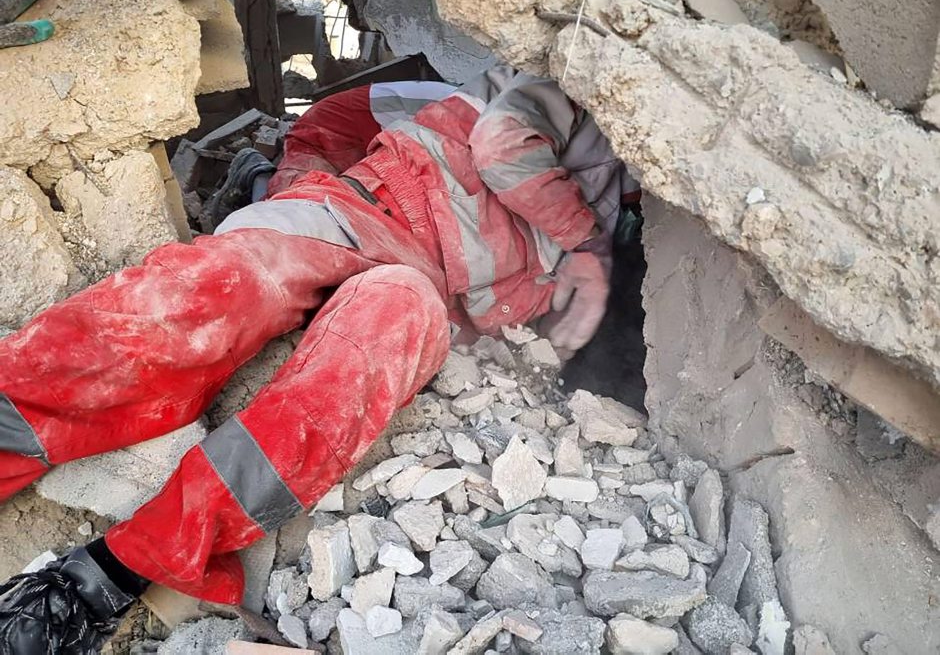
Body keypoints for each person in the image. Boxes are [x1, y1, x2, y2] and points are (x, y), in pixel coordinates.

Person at [0, 65, 638, 652]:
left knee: (343, 387)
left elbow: (527, 340)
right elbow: (492, 142)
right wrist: (585, 244)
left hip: (420, 291)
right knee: (219, 289)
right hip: (356, 211)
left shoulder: (621, 217)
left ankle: (107, 576)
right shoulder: (571, 87)